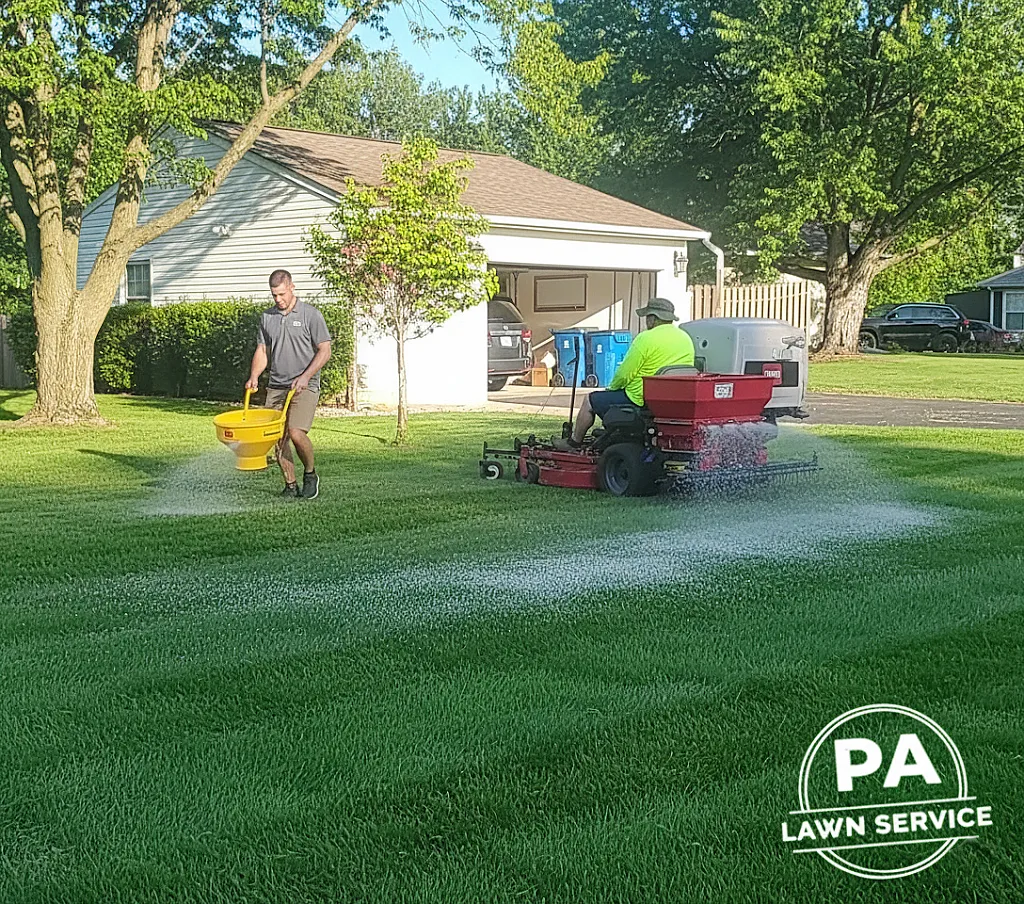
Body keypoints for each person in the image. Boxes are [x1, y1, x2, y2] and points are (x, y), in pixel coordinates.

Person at [553, 297, 695, 450]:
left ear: (653, 318)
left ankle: (573, 442)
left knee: (590, 400)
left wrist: (611, 388)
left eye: (647, 317)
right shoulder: (685, 338)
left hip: (639, 399)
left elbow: (624, 374)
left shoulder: (645, 338)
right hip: (669, 400)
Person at [247, 269, 332, 498]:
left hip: (305, 385)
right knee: (276, 436)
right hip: (277, 385)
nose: (278, 299)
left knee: (295, 433)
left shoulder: (310, 315)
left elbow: (325, 350)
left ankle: (310, 474)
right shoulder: (267, 318)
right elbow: (262, 351)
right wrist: (254, 375)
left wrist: (305, 376)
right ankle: (290, 484)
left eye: (282, 294)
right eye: (274, 295)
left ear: (292, 287)